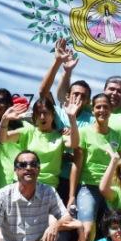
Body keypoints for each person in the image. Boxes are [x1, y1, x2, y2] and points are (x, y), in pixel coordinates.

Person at [39, 39, 95, 195]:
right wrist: (58, 63)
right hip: (53, 177)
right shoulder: (57, 113)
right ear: (68, 96)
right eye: (75, 94)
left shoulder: (92, 120)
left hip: (79, 181)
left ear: (88, 101)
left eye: (83, 96)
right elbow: (43, 93)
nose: (79, 98)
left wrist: (74, 141)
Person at [0, 95, 80, 197]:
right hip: (23, 184)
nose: (42, 117)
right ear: (34, 117)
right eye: (38, 113)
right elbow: (2, 139)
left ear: (53, 115)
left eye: (45, 113)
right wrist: (4, 119)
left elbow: (74, 144)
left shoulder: (59, 136)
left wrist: (72, 118)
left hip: (48, 188)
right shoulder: (29, 131)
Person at [71, 93, 121, 239]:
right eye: (98, 107)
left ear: (111, 110)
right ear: (92, 110)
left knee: (117, 232)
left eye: (106, 107)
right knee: (87, 231)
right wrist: (71, 196)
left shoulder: (117, 136)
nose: (102, 110)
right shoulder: (83, 132)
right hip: (88, 187)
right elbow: (76, 164)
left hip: (112, 189)